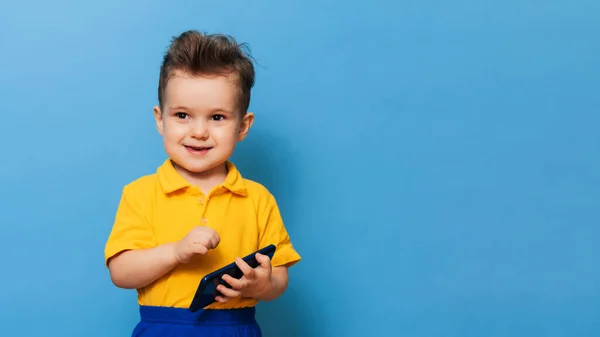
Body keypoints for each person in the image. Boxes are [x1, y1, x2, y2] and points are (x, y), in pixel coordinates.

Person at [104, 30, 301, 337]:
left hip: (235, 326)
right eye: (182, 115)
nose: (199, 132)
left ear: (242, 126)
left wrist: (262, 284)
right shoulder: (141, 194)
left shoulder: (258, 198)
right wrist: (176, 252)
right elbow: (121, 271)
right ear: (160, 119)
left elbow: (279, 277)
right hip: (164, 328)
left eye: (217, 117)